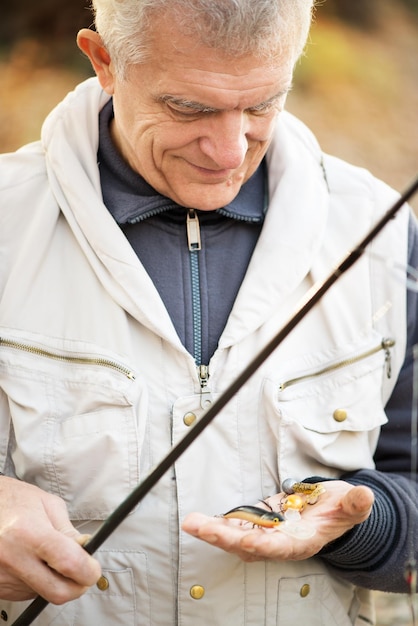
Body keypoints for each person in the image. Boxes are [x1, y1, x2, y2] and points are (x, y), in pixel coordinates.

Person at [0, 0, 417, 624]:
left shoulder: (383, 232)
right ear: (104, 62)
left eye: (261, 105)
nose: (227, 153)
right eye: (188, 107)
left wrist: (363, 524)